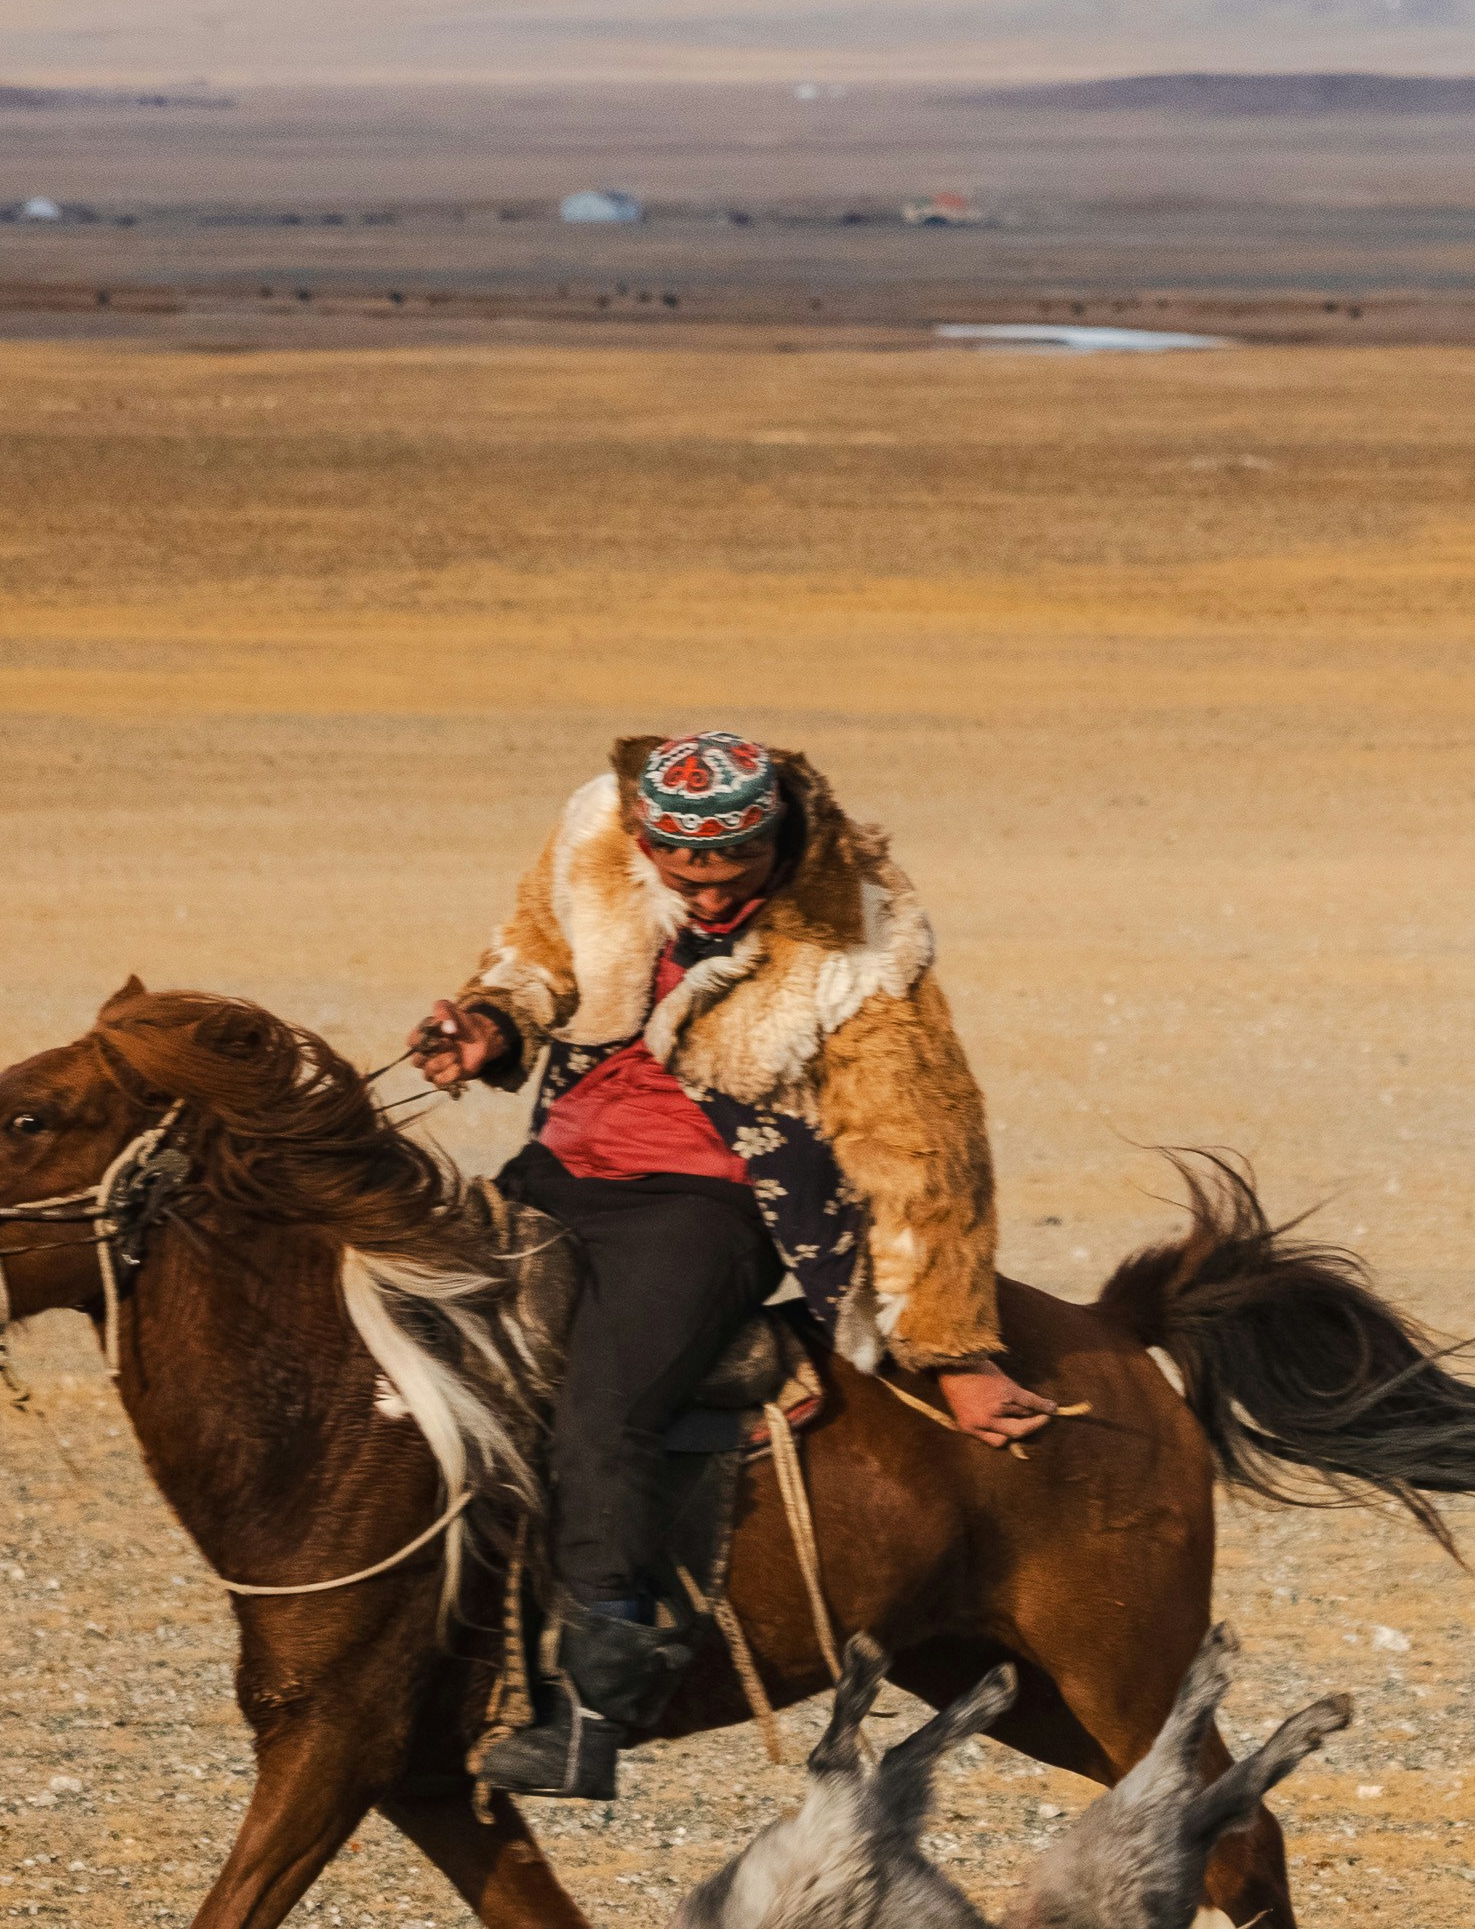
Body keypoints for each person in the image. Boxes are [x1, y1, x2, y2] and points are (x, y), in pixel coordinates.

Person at [404, 732, 1027, 1798]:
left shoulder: (855, 936)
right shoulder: (598, 837)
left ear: (776, 838)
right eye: (678, 868)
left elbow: (922, 1142)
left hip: (712, 1199)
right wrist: (491, 1026)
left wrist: (952, 1345)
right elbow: (538, 960)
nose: (701, 890)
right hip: (561, 1161)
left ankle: (595, 1702)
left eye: (729, 866)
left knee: (607, 1410)